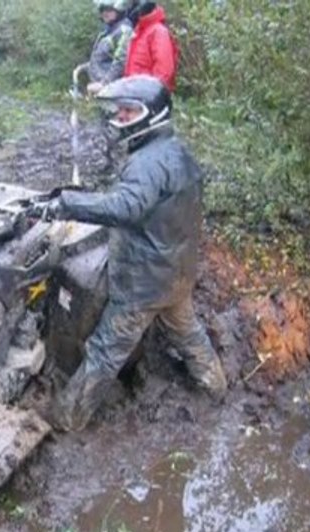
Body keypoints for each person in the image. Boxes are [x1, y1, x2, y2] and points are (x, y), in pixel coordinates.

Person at [27, 75, 226, 432]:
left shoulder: (146, 163)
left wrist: (67, 203)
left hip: (143, 283)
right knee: (188, 332)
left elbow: (126, 207)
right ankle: (216, 388)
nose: (120, 117)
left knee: (105, 350)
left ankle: (67, 418)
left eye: (128, 111)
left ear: (150, 114)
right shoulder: (179, 152)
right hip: (177, 273)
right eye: (120, 110)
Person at [124, 2, 178, 91]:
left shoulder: (158, 31)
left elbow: (164, 72)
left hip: (148, 95)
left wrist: (151, 92)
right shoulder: (139, 31)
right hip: (135, 93)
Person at [86, 1, 133, 97]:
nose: (105, 13)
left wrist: (104, 84)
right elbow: (101, 59)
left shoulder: (124, 31)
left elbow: (121, 61)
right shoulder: (107, 32)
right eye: (102, 10)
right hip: (102, 89)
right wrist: (84, 67)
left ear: (120, 9)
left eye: (109, 10)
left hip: (114, 90)